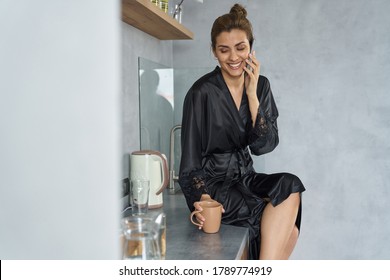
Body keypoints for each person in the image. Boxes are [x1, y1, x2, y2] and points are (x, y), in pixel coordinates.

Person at [178, 3, 306, 260]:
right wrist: (203, 197)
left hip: (246, 176)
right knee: (288, 232)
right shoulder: (200, 92)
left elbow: (263, 146)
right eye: (224, 50)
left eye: (241, 48)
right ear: (214, 51)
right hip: (214, 184)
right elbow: (190, 163)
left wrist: (252, 95)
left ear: (251, 47)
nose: (234, 58)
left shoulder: (261, 86)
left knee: (290, 185)